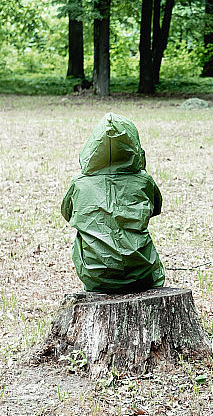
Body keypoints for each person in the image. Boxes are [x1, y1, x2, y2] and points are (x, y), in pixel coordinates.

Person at [61, 113, 165, 292]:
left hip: (95, 275)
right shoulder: (144, 181)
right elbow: (155, 208)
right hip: (141, 270)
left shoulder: (79, 183)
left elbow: (67, 212)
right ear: (134, 145)